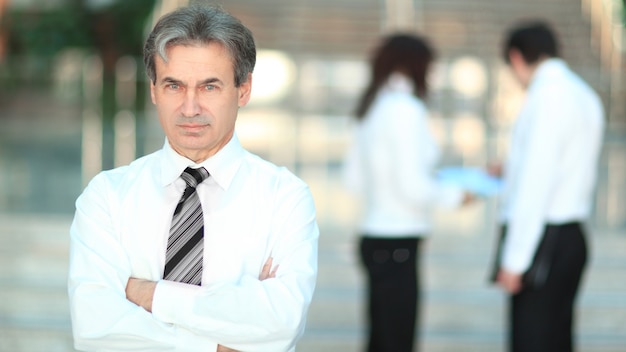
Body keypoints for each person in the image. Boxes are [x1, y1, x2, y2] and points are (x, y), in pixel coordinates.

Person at [67, 3, 319, 352]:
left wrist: (148, 294)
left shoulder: (284, 198)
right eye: (174, 86)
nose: (189, 108)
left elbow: (282, 321)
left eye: (209, 87)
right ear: (154, 90)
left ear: (243, 89)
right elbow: (95, 330)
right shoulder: (108, 197)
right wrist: (217, 344)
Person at [343, 33, 473, 352]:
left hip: (376, 235)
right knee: (397, 341)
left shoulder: (373, 105)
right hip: (398, 241)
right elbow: (413, 185)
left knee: (382, 338)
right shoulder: (404, 108)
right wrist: (457, 196)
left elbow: (354, 179)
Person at [490, 21, 605, 352]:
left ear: (515, 58)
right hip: (571, 235)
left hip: (544, 240)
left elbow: (535, 186)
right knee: (558, 338)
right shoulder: (581, 93)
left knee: (532, 340)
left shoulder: (545, 98)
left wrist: (514, 260)